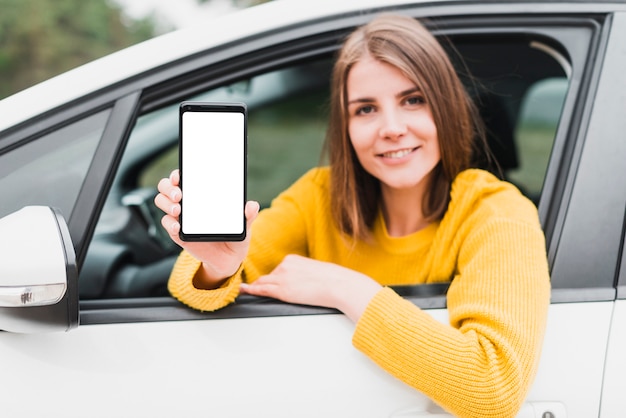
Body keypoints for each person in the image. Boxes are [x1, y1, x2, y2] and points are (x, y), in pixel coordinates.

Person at [155, 13, 550, 418]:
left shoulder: (496, 211)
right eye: (365, 110)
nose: (392, 128)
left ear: (447, 107)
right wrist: (218, 266)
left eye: (413, 100)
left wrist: (345, 289)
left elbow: (493, 388)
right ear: (345, 126)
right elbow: (188, 281)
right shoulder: (319, 196)